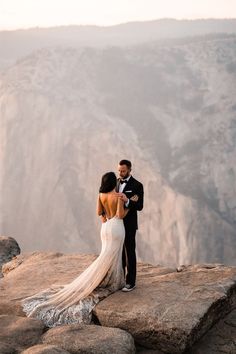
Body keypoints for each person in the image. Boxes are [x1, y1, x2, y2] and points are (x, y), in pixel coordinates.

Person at [21, 172, 129, 327]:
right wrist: (129, 208)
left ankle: (100, 278)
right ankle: (111, 279)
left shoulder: (101, 195)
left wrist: (106, 219)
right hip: (116, 227)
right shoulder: (118, 196)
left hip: (105, 228)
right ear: (114, 182)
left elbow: (100, 214)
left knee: (105, 255)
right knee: (112, 256)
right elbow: (120, 214)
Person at [117, 160, 144, 292]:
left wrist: (127, 200)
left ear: (129, 170)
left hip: (129, 224)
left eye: (123, 171)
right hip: (116, 224)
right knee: (119, 252)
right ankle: (120, 279)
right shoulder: (116, 182)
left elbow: (139, 206)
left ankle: (130, 282)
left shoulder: (137, 185)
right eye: (119, 170)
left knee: (129, 252)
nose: (121, 173)